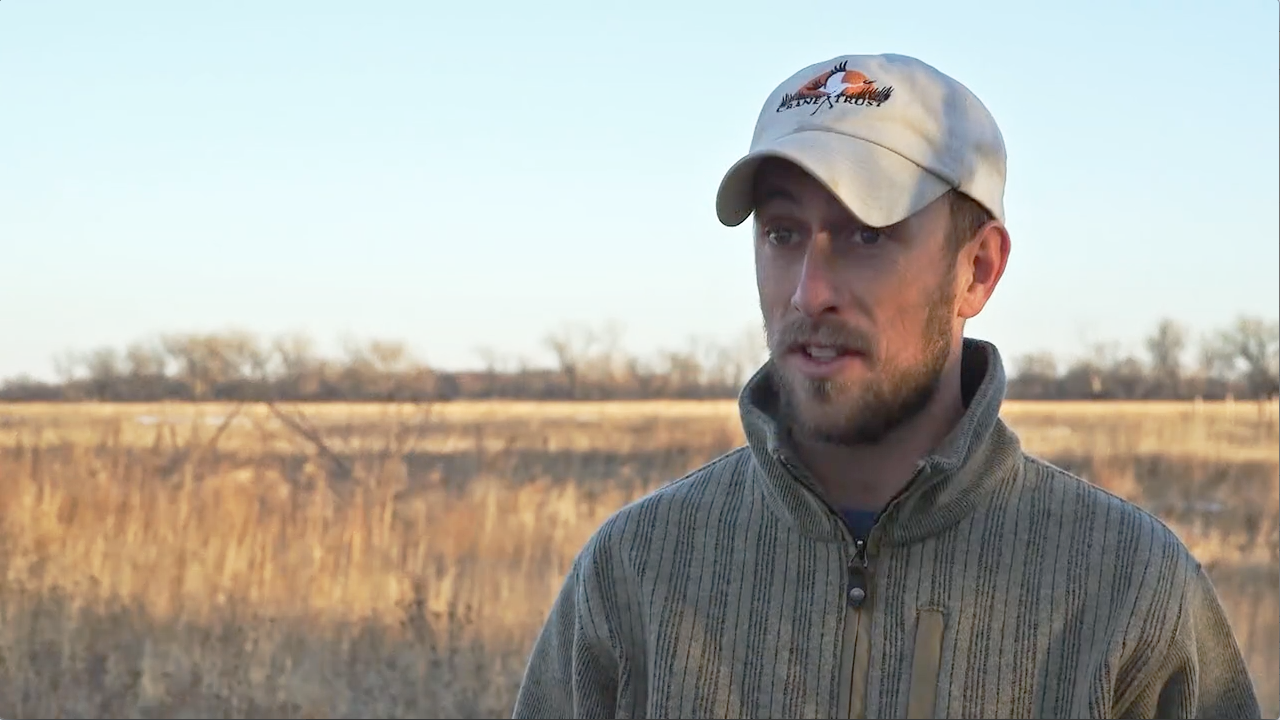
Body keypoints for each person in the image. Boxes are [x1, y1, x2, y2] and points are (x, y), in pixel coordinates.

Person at [510, 52, 1262, 719]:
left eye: (867, 234)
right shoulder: (637, 570)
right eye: (782, 233)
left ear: (977, 270)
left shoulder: (1126, 587)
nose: (809, 292)